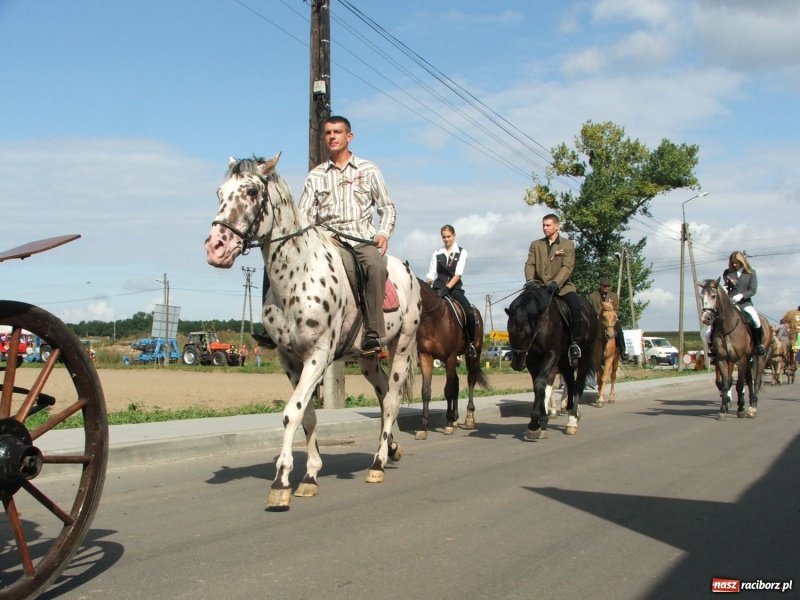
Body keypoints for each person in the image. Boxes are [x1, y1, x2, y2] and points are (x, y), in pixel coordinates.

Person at [253, 116, 396, 355]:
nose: (332, 136)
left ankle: (372, 332)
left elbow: (387, 207)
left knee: (376, 265)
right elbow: (305, 213)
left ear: (349, 137)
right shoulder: (315, 176)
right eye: (328, 133)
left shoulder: (368, 170)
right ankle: (271, 327)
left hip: (359, 239)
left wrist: (383, 232)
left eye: (337, 132)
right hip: (325, 240)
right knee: (275, 261)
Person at [524, 213, 584, 366]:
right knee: (521, 307)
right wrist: (530, 280)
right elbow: (530, 264)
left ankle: (575, 345)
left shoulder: (567, 244)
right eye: (543, 225)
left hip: (562, 287)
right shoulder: (535, 244)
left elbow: (567, 266)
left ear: (557, 226)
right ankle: (522, 348)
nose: (545, 228)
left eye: (548, 225)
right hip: (539, 287)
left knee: (575, 308)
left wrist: (556, 282)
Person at [425, 224, 477, 359]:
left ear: (454, 235)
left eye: (448, 237)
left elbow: (458, 274)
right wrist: (428, 282)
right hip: (438, 288)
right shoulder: (437, 253)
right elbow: (431, 273)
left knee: (469, 313)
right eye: (444, 237)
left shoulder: (462, 252)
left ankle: (470, 344)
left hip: (454, 289)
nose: (446, 239)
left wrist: (447, 288)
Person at [705, 251, 765, 356]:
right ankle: (713, 349)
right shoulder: (728, 273)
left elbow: (753, 290)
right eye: (732, 262)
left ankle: (758, 344)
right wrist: (725, 289)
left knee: (756, 320)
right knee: (712, 326)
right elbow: (726, 286)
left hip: (745, 304)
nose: (734, 264)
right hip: (730, 304)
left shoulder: (751, 273)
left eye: (736, 262)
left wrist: (741, 295)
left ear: (742, 261)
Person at [587, 276, 628, 359]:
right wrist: (596, 317)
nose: (607, 288)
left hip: (610, 320)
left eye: (608, 286)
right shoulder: (592, 296)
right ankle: (584, 351)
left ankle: (623, 350)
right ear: (600, 285)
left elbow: (616, 309)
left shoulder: (613, 295)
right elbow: (589, 309)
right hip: (597, 320)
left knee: (619, 330)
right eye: (605, 286)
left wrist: (612, 316)